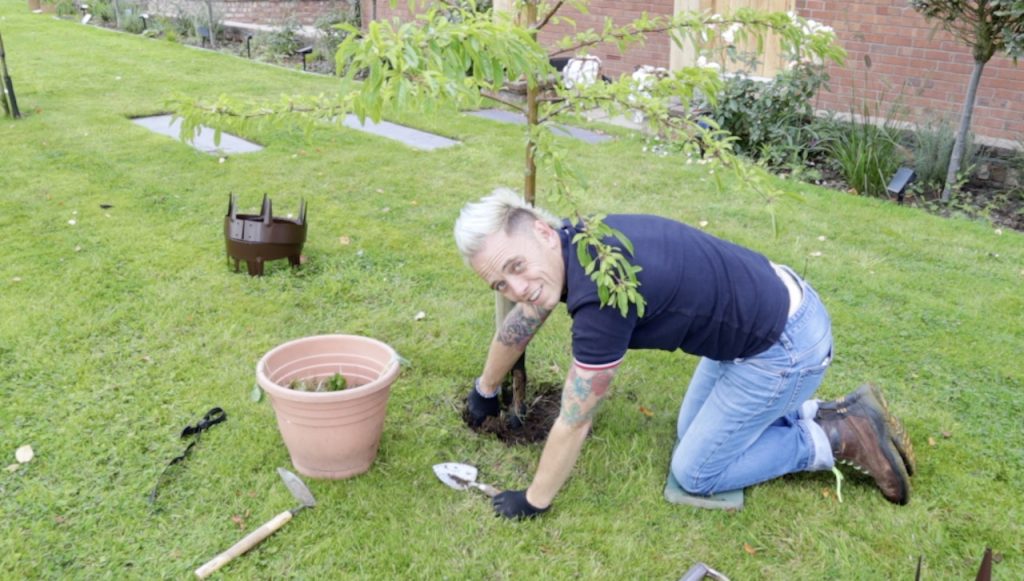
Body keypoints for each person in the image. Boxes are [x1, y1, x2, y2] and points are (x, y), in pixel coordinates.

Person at [453, 189, 915, 520]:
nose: (517, 289)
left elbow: (575, 419)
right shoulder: (580, 238)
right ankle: (828, 412)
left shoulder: (602, 298)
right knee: (687, 431)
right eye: (500, 284)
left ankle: (836, 437)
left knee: (697, 472)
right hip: (768, 314)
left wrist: (535, 499)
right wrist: (485, 389)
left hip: (785, 349)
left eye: (515, 267)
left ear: (541, 232)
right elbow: (522, 319)